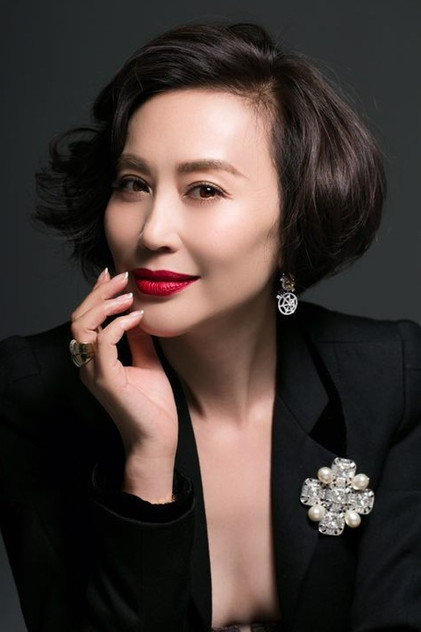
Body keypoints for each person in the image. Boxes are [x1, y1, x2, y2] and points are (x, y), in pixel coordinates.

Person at [0, 21, 420, 632]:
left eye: (203, 189)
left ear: (297, 216)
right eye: (134, 184)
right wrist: (147, 461)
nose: (152, 232)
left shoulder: (391, 377)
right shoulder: (30, 389)